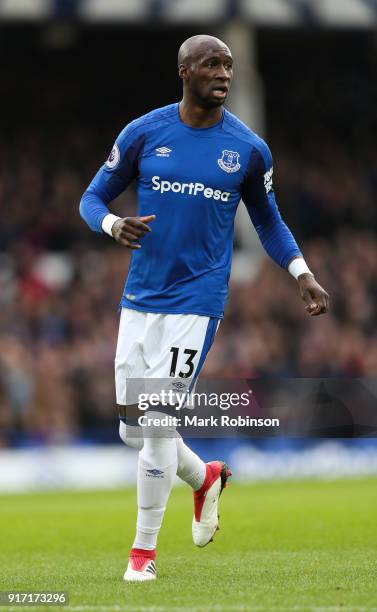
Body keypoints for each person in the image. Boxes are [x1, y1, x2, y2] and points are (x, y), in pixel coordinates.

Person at [79, 34, 329, 582]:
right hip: (141, 298)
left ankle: (142, 554)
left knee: (160, 423)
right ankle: (205, 477)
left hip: (198, 301)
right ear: (185, 71)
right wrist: (112, 223)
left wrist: (302, 273)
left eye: (229, 65)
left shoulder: (247, 148)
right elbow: (91, 198)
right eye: (211, 64)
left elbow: (267, 220)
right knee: (133, 431)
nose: (223, 73)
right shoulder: (145, 133)